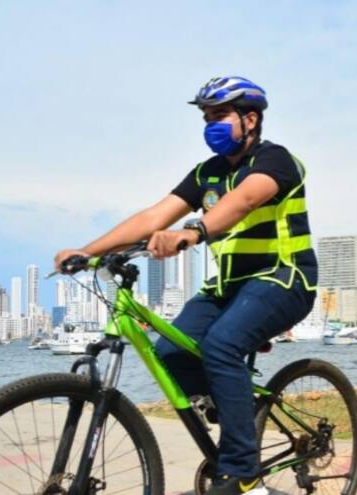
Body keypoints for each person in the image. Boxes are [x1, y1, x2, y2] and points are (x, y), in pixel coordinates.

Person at [54, 76, 318, 494]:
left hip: (284, 280)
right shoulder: (207, 173)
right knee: (171, 351)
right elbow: (151, 218)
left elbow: (244, 200)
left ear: (250, 119)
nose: (210, 124)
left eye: (219, 115)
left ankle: (244, 473)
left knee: (221, 345)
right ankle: (238, 414)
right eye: (206, 117)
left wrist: (193, 231)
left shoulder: (276, 161)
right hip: (231, 286)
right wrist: (86, 252)